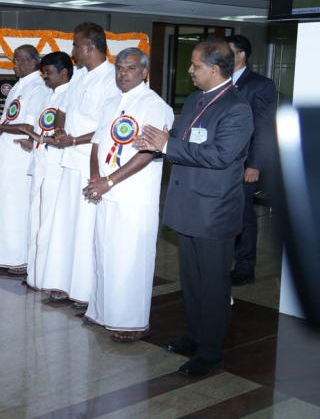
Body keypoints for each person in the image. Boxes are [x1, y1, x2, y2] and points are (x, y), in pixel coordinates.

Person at [136, 38, 253, 377]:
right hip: (189, 204)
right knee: (191, 280)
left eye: (195, 65)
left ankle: (211, 353)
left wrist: (168, 145)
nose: (189, 70)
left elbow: (220, 156)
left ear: (215, 69)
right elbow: (181, 138)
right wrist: (156, 143)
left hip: (213, 211)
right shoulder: (195, 99)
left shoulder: (236, 107)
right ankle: (196, 335)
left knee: (213, 286)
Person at [81, 48, 174, 342]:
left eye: (131, 68)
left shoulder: (153, 105)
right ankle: (102, 311)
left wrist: (108, 181)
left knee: (131, 259)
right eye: (119, 68)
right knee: (104, 254)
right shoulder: (111, 102)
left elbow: (148, 153)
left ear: (144, 72)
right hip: (106, 191)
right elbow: (97, 144)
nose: (123, 73)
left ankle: (132, 322)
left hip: (134, 194)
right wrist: (95, 178)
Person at [41, 22, 120, 307]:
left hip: (91, 163)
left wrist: (74, 140)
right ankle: (64, 283)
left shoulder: (112, 78)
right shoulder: (80, 77)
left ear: (88, 47)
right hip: (69, 161)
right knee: (66, 225)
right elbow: (63, 111)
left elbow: (109, 127)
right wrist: (60, 130)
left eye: (75, 45)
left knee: (86, 229)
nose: (72, 51)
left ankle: (84, 291)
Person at [0, 44, 48, 273]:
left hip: (21, 158)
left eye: (19, 60)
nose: (14, 65)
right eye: (14, 60)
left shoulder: (38, 88)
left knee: (17, 209)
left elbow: (30, 127)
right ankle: (1, 256)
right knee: (6, 209)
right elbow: (11, 123)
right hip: (8, 157)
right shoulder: (19, 86)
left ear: (33, 62)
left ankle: (20, 259)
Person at [15, 52, 73, 291]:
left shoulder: (70, 96)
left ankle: (44, 277)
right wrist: (32, 141)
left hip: (54, 169)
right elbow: (40, 130)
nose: (45, 77)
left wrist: (40, 139)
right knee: (36, 222)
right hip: (40, 165)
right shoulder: (47, 96)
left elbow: (64, 135)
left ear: (64, 72)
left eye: (48, 72)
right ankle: (36, 273)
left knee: (47, 225)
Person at [224, 35, 277, 286]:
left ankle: (245, 268)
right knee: (223, 213)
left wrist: (255, 164)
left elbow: (264, 128)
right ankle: (222, 261)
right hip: (220, 161)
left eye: (227, 51)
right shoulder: (217, 80)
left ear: (241, 54)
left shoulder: (260, 85)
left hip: (245, 163)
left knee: (243, 215)